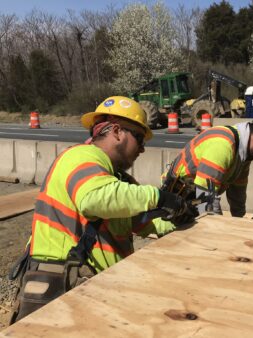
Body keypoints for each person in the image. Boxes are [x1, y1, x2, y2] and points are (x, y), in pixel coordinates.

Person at [9, 96, 186, 323]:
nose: (142, 148)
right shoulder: (81, 157)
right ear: (117, 131)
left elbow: (142, 220)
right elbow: (94, 199)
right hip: (62, 283)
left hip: (90, 284)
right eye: (139, 138)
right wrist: (160, 197)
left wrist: (179, 222)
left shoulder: (115, 179)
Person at [153, 108, 253, 234]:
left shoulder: (243, 157)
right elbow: (205, 198)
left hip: (194, 199)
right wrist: (220, 233)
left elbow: (237, 194)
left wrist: (239, 225)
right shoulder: (223, 145)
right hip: (176, 199)